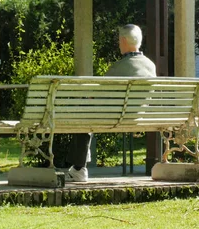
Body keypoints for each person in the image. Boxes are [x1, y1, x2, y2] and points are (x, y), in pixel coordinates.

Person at [65, 24, 157, 182]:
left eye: (119, 40)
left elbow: (99, 94)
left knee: (82, 114)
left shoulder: (119, 67)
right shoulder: (150, 65)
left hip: (116, 117)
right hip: (140, 117)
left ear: (123, 40)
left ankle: (79, 168)